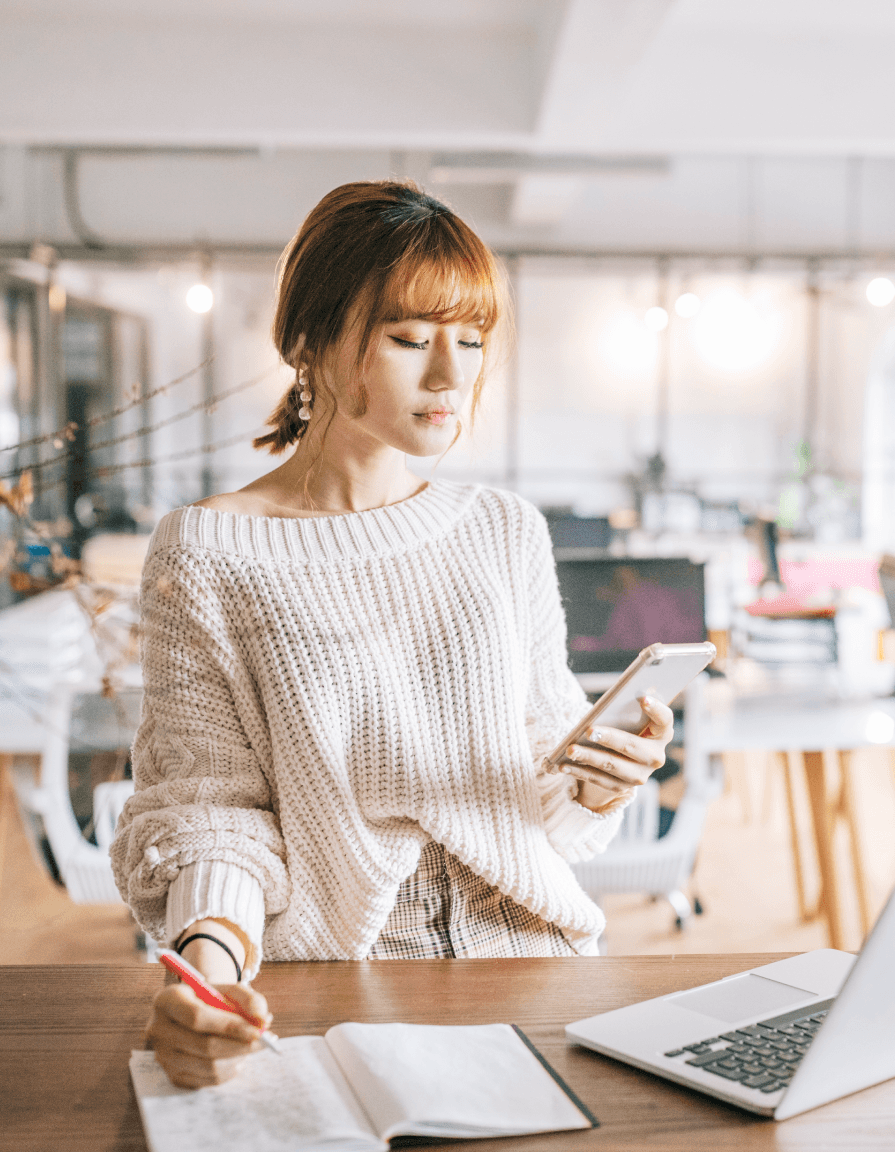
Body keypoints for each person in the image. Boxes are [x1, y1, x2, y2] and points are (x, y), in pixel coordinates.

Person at [111, 181, 674, 1089]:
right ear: (307, 343)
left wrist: (597, 780)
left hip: (538, 956)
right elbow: (209, 807)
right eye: (410, 340)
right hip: (338, 970)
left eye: (473, 343)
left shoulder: (503, 528)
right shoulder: (208, 548)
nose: (452, 377)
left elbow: (540, 777)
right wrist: (207, 973)